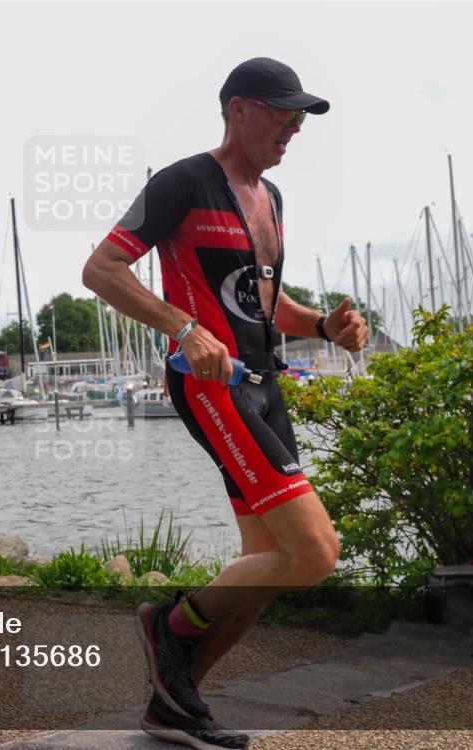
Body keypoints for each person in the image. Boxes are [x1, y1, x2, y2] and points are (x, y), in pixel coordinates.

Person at [82, 57, 369, 749]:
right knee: (315, 553)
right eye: (282, 113)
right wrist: (183, 326)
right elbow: (101, 269)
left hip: (265, 385)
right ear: (239, 110)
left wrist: (324, 327)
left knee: (263, 566)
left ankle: (175, 705)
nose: (294, 128)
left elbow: (263, 304)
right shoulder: (184, 182)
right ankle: (167, 626)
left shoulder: (270, 197)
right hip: (211, 384)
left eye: (300, 117)